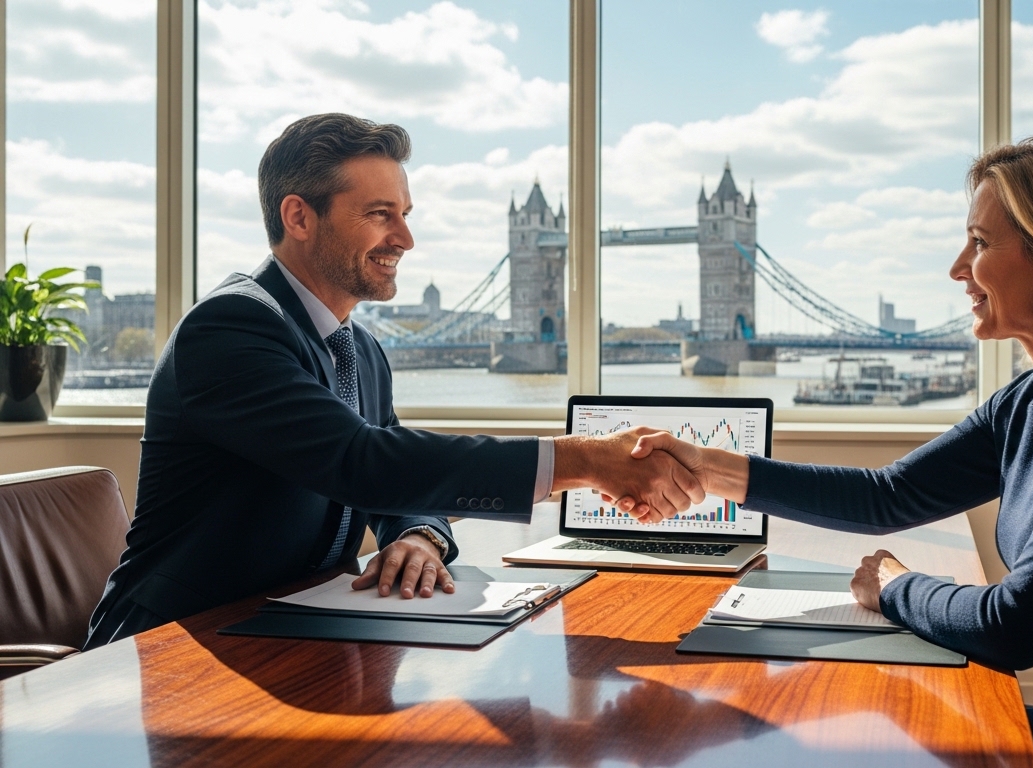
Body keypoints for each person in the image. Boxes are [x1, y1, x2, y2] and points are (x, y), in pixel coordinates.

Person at [613, 135, 1033, 766]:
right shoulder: (1028, 402)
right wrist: (705, 467)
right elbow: (887, 497)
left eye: (980, 243)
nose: (957, 268)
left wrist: (896, 586)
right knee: (838, 722)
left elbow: (1017, 629)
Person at [84, 113, 703, 649]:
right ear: (299, 216)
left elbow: (393, 477)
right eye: (381, 215)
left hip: (301, 629)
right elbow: (360, 460)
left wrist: (418, 535)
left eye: (404, 215)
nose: (406, 239)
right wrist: (586, 460)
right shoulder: (229, 329)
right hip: (170, 646)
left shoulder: (362, 349)